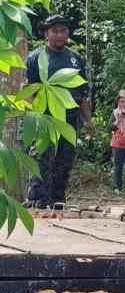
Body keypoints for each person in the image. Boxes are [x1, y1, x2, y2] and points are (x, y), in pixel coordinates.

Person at [26, 14, 92, 208]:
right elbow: (28, 90)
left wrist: (88, 121)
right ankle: (37, 199)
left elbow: (83, 94)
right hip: (44, 115)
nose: (60, 35)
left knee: (65, 158)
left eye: (63, 30)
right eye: (55, 31)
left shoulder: (76, 59)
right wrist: (33, 116)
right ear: (46, 34)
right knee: (41, 156)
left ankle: (57, 199)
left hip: (69, 116)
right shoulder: (36, 57)